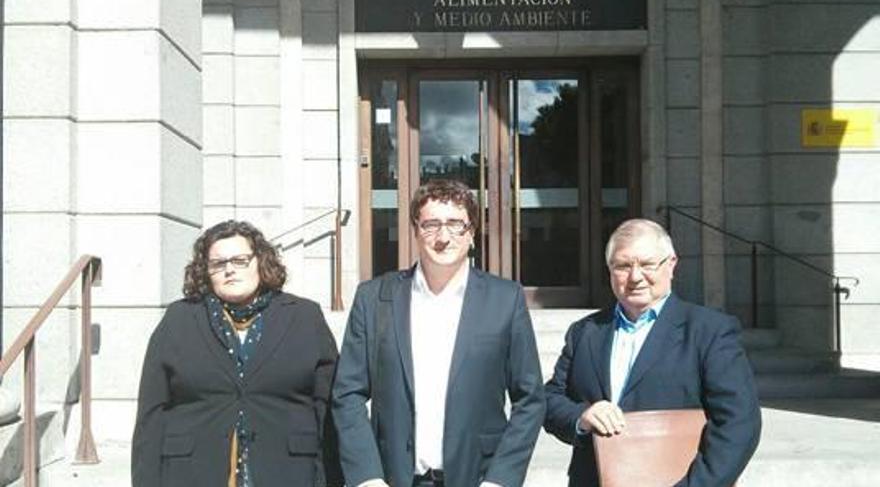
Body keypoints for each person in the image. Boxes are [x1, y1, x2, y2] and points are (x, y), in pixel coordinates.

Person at [332, 179, 545, 487]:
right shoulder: (374, 298)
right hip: (394, 480)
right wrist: (367, 477)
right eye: (431, 225)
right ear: (416, 231)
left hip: (477, 478)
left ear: (471, 233)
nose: (443, 237)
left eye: (456, 224)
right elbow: (347, 393)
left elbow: (531, 399)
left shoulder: (505, 299)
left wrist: (501, 479)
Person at [544, 218, 761, 486]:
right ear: (610, 271)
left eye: (647, 264)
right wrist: (582, 416)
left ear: (671, 265)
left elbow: (738, 424)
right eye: (623, 266)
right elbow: (550, 400)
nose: (635, 277)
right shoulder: (585, 332)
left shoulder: (709, 331)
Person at [132, 220, 342, 487]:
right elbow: (152, 414)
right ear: (205, 271)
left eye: (240, 260)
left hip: (287, 470)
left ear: (260, 261)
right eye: (218, 264)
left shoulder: (304, 316)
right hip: (194, 472)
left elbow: (328, 405)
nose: (229, 270)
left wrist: (333, 476)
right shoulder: (179, 320)